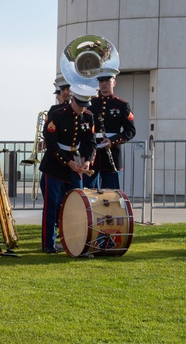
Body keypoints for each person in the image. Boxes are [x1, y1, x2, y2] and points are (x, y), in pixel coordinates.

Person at [39, 85, 96, 253]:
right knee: (52, 205)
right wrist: (67, 162)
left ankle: (74, 241)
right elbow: (51, 143)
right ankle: (48, 244)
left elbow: (91, 142)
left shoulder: (88, 116)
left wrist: (88, 161)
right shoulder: (57, 114)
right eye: (80, 105)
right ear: (73, 100)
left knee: (76, 205)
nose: (83, 109)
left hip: (75, 162)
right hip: (54, 165)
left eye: (86, 105)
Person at [85, 72, 135, 190]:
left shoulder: (122, 105)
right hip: (92, 155)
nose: (104, 84)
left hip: (112, 154)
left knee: (111, 194)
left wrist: (112, 141)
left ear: (114, 83)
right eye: (101, 81)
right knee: (88, 192)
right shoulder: (90, 104)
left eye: (107, 81)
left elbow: (130, 131)